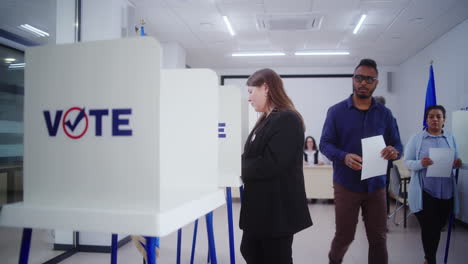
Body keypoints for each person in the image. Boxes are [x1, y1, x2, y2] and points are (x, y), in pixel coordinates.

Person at [320, 58, 403, 264]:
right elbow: (325, 144)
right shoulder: (336, 112)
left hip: (376, 186)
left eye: (369, 79)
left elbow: (398, 146)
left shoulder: (385, 114)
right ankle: (334, 261)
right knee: (345, 236)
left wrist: (394, 151)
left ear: (376, 83)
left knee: (378, 238)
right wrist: (343, 156)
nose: (363, 83)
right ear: (353, 79)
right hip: (346, 185)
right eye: (359, 78)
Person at [240, 68, 312, 264]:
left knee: (275, 257)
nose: (249, 99)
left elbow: (272, 163)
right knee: (249, 249)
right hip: (261, 207)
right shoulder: (266, 120)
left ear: (265, 88)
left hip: (276, 210)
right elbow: (253, 155)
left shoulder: (287, 119)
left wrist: (237, 168)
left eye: (250, 92)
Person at [405, 105, 464, 264]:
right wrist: (421, 163)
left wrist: (457, 163)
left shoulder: (450, 138)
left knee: (438, 227)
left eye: (439, 116)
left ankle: (429, 257)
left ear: (444, 120)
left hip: (446, 192)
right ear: (426, 120)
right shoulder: (417, 139)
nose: (435, 119)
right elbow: (408, 162)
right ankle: (430, 259)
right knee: (430, 227)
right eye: (431, 116)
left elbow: (457, 160)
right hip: (426, 191)